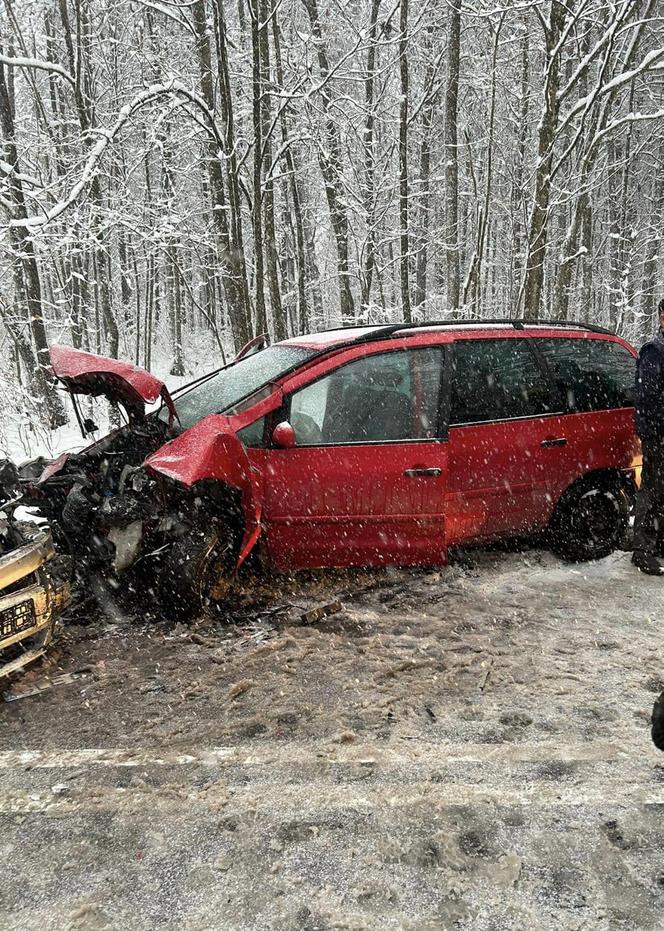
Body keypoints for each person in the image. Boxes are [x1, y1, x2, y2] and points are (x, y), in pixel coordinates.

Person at [633, 297, 664, 575]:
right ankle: (642, 549)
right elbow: (648, 399)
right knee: (653, 489)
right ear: (661, 317)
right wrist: (657, 433)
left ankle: (658, 541)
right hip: (659, 435)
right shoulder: (654, 352)